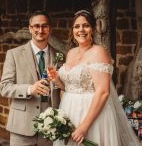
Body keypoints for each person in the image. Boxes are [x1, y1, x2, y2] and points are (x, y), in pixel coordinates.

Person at [48, 10, 141, 146]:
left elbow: (103, 92)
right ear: (73, 30)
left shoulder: (99, 52)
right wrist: (57, 79)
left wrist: (84, 126)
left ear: (93, 29)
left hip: (92, 114)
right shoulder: (71, 53)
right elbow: (69, 88)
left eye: (85, 25)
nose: (81, 30)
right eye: (77, 26)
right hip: (68, 110)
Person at [0, 11, 62, 146]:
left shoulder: (60, 56)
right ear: (30, 28)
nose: (41, 30)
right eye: (36, 26)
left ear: (50, 29)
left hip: (50, 129)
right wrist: (29, 89)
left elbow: (64, 88)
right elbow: (4, 88)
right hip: (21, 128)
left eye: (45, 26)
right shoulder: (13, 54)